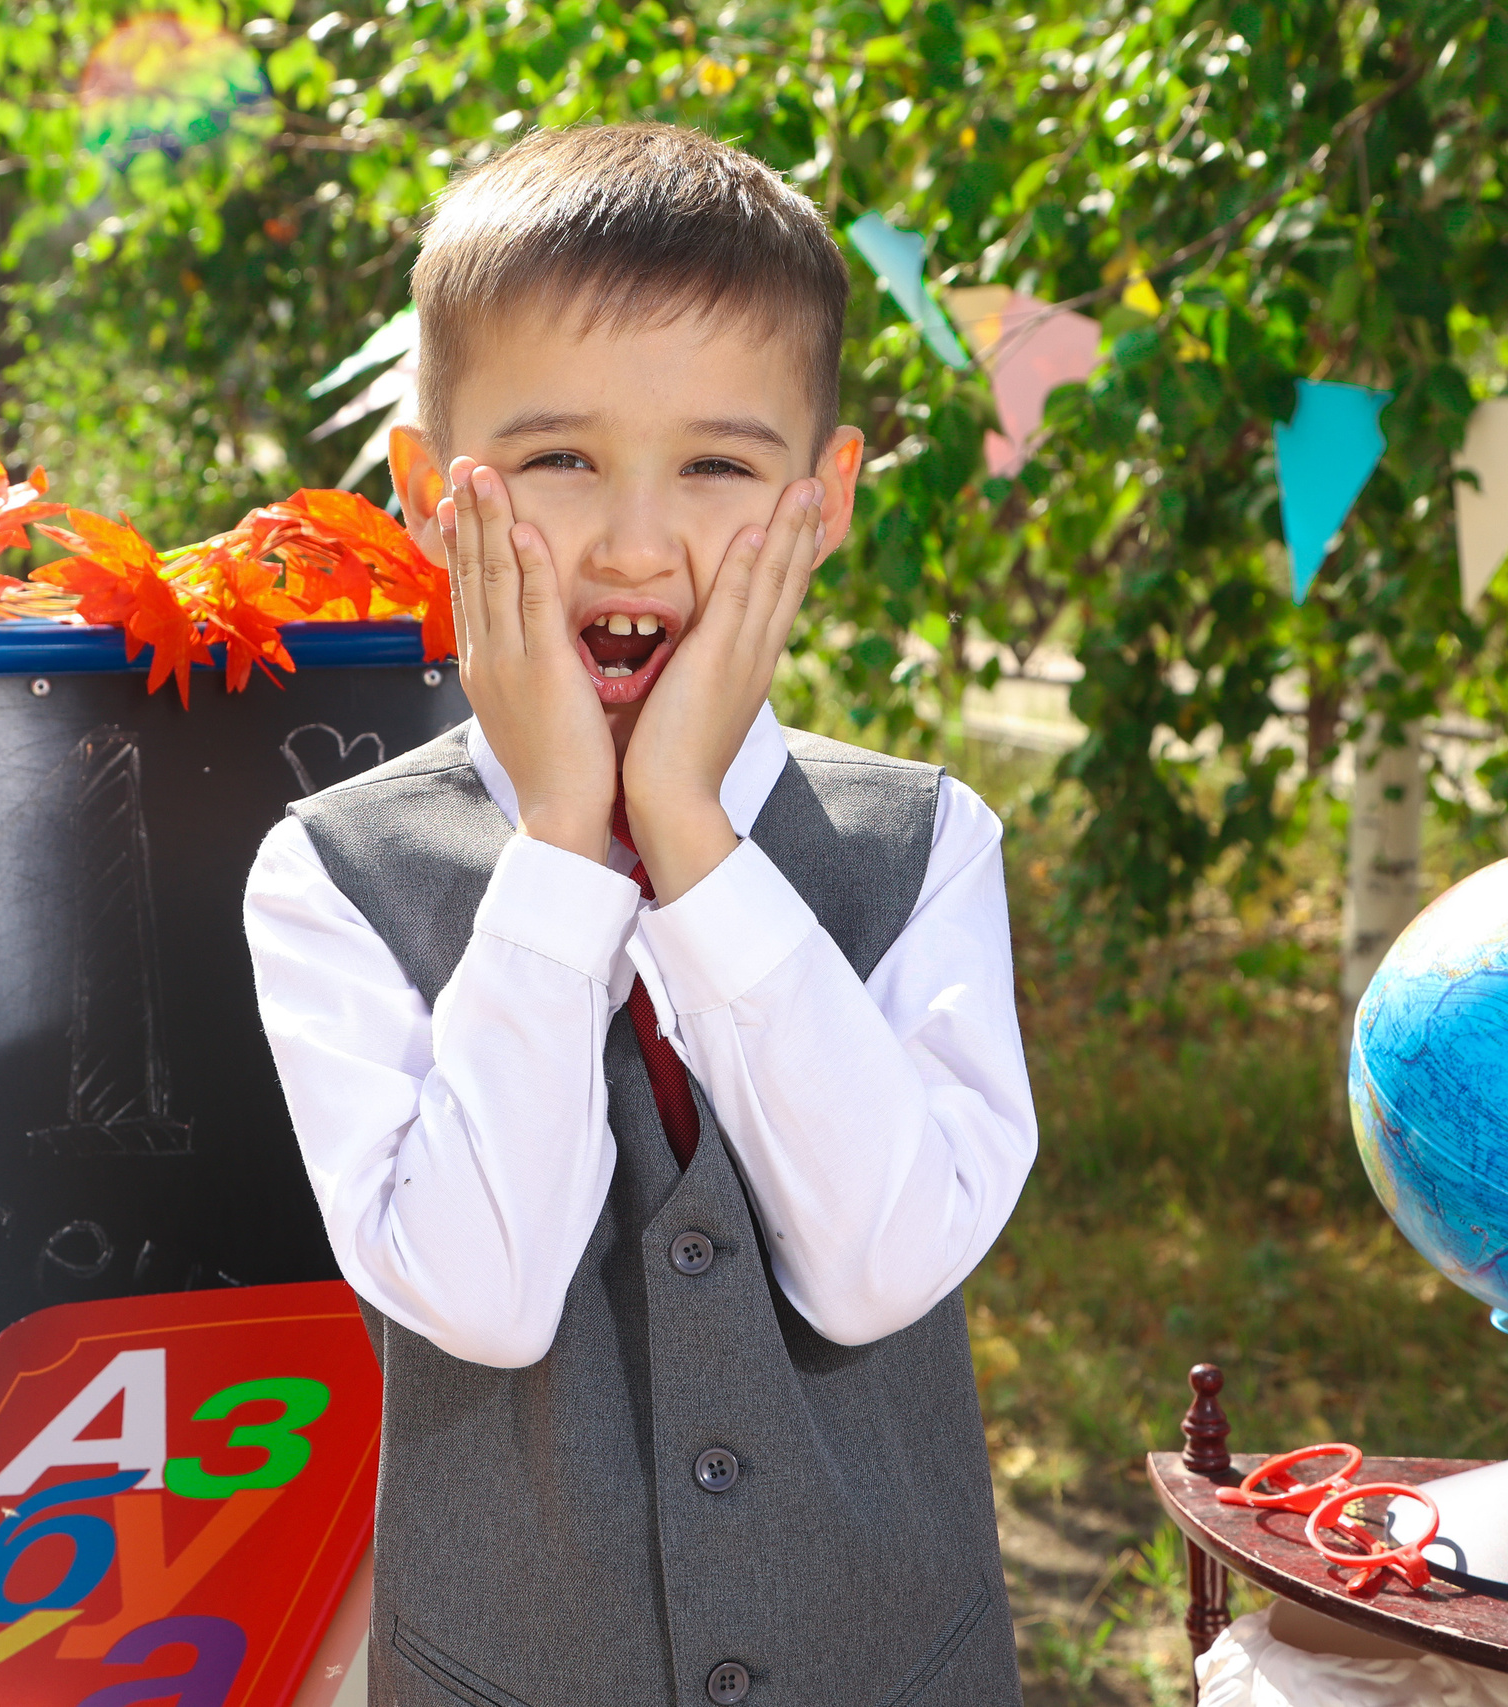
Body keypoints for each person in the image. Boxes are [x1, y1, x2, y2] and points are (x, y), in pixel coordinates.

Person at [245, 121, 1038, 1707]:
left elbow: (883, 1266)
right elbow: (481, 1290)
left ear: (820, 502)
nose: (630, 541)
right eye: (557, 460)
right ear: (425, 489)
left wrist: (687, 833)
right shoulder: (333, 874)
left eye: (719, 468)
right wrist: (558, 845)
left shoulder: (925, 845)